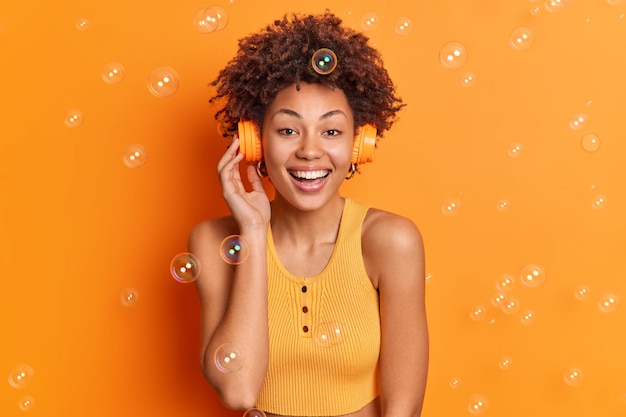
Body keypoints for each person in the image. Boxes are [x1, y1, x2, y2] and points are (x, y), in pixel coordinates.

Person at [188, 11, 428, 417]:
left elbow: (403, 409)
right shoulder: (214, 242)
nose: (310, 151)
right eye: (287, 130)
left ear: (359, 144)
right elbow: (239, 392)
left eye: (332, 131)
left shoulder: (391, 241)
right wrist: (254, 230)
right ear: (255, 142)